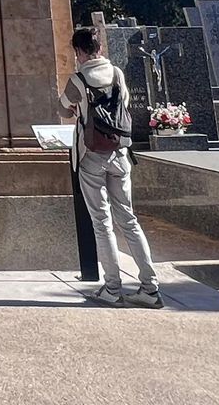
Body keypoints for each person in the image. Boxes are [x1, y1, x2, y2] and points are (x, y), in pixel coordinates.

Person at [58, 25, 163, 308]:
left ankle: (113, 287)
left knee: (102, 222)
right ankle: (150, 287)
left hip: (91, 153)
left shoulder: (78, 80)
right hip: (120, 152)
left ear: (78, 51)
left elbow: (63, 108)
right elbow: (125, 103)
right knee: (128, 219)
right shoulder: (117, 73)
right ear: (100, 48)